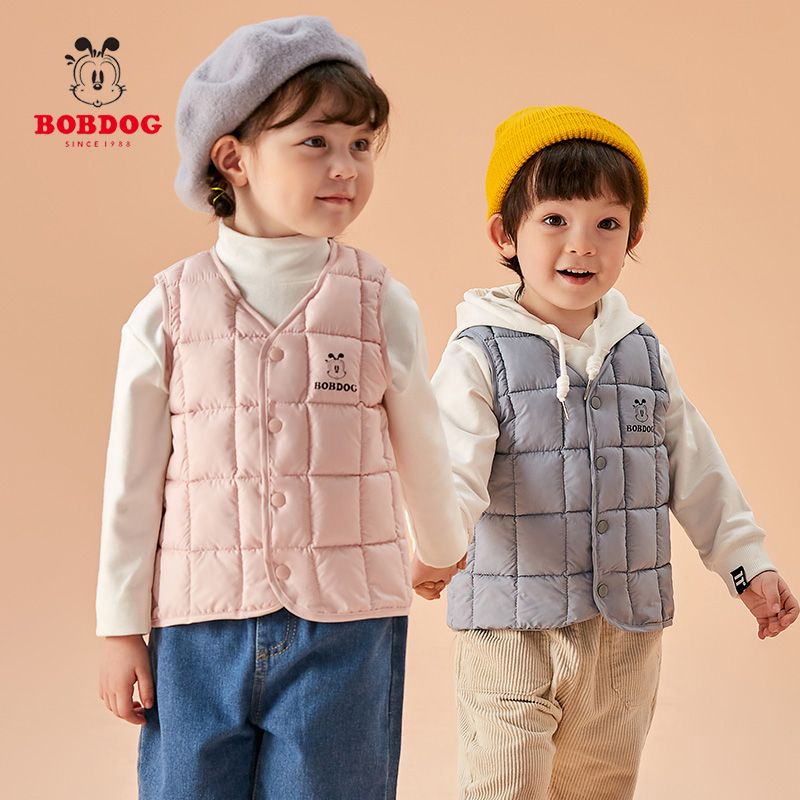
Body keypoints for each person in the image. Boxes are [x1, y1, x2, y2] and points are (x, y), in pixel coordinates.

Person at [95, 16, 466, 800]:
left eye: (362, 145)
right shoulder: (168, 311)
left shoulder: (378, 300)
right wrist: (119, 626)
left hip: (347, 626)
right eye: (316, 142)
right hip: (197, 627)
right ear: (234, 158)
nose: (346, 168)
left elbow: (421, 438)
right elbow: (132, 480)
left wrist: (440, 544)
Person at [413, 105, 798, 799]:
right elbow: (454, 467)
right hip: (511, 629)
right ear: (506, 234)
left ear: (633, 236)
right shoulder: (478, 354)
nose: (582, 245)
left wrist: (747, 562)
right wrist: (438, 544)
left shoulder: (642, 353)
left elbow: (694, 466)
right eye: (555, 219)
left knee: (599, 788)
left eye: (607, 225)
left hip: (624, 637)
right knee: (504, 785)